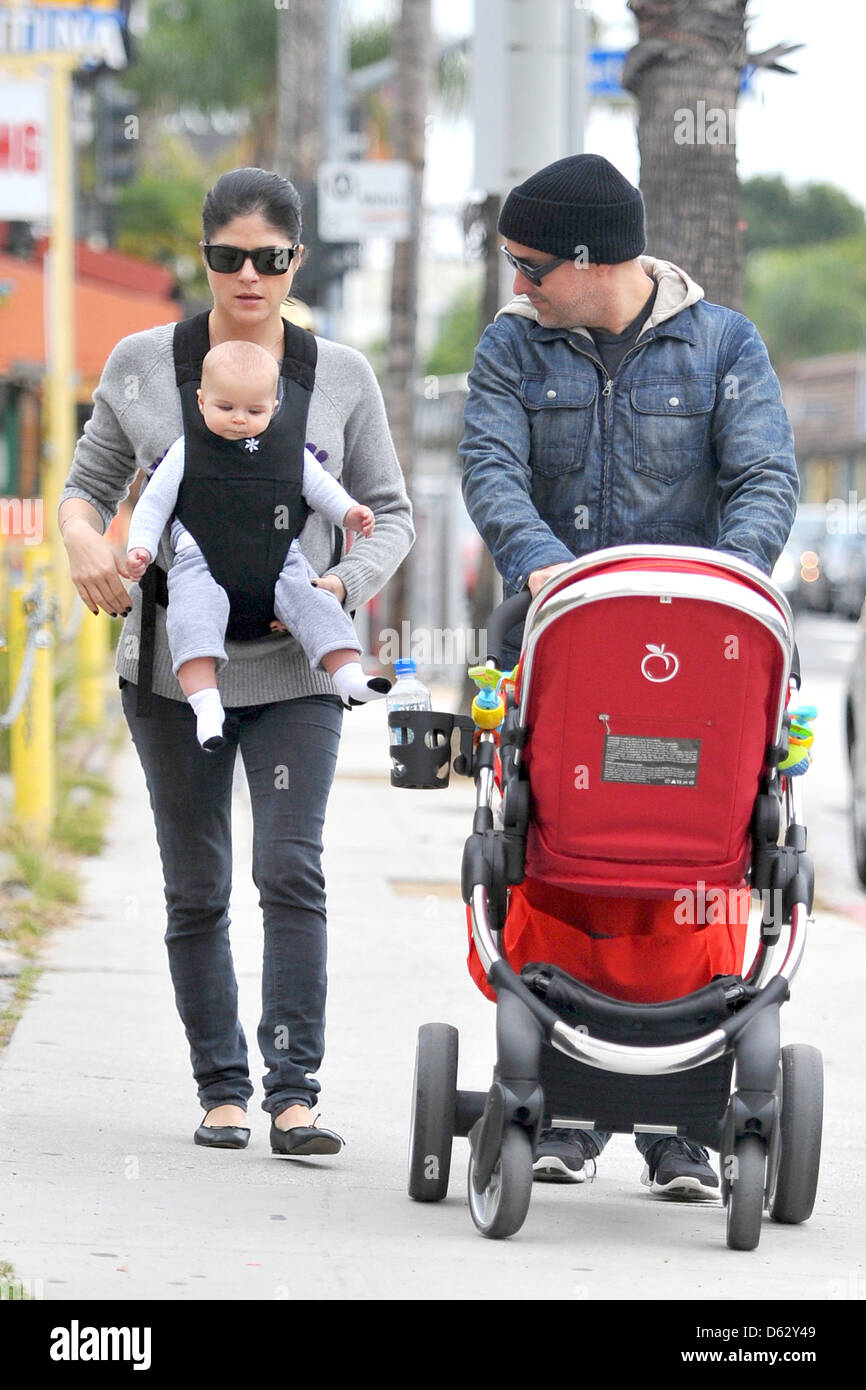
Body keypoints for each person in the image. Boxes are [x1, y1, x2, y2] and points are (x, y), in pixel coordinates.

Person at [459, 153, 799, 1198]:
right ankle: (559, 1104)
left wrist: (724, 590)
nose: (514, 285)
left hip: (692, 664)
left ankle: (679, 1129)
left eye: (526, 265)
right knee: (559, 856)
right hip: (558, 648)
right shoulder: (512, 349)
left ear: (586, 259)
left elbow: (761, 474)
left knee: (687, 874)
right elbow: (490, 466)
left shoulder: (721, 345)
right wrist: (539, 565)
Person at [59, 166, 414, 1157]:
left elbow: (388, 510)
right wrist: (83, 542)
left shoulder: (338, 375)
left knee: (289, 868)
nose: (247, 277)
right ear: (204, 258)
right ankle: (221, 1089)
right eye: (227, 258)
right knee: (197, 885)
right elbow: (86, 487)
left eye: (268, 259)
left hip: (296, 666)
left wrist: (345, 581)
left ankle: (293, 1093)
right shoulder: (141, 363)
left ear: (295, 260)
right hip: (175, 670)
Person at [125, 338, 390, 751]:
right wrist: (140, 547)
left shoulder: (289, 451)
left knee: (314, 600)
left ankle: (348, 675)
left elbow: (322, 489)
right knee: (190, 617)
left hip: (280, 557)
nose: (238, 420)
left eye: (254, 411)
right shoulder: (186, 451)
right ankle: (206, 702)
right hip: (198, 559)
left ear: (275, 408)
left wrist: (350, 514)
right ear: (200, 401)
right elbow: (152, 504)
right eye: (225, 407)